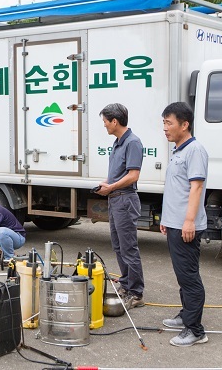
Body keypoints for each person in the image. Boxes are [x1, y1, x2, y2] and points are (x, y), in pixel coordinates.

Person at [160, 102, 209, 347]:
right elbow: (176, 190)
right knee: (183, 275)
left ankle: (195, 330)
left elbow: (196, 187)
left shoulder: (195, 150)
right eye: (164, 123)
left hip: (186, 225)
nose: (165, 128)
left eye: (169, 123)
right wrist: (167, 220)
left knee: (189, 277)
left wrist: (189, 221)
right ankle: (185, 316)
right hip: (176, 224)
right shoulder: (179, 150)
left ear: (184, 124)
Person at [96, 103, 145, 310]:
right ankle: (126, 284)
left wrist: (112, 187)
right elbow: (118, 173)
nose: (105, 125)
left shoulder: (133, 142)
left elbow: (133, 175)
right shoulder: (118, 142)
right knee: (118, 246)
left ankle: (136, 293)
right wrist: (106, 185)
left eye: (105, 121)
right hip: (115, 199)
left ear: (114, 121)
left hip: (125, 199)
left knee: (128, 248)